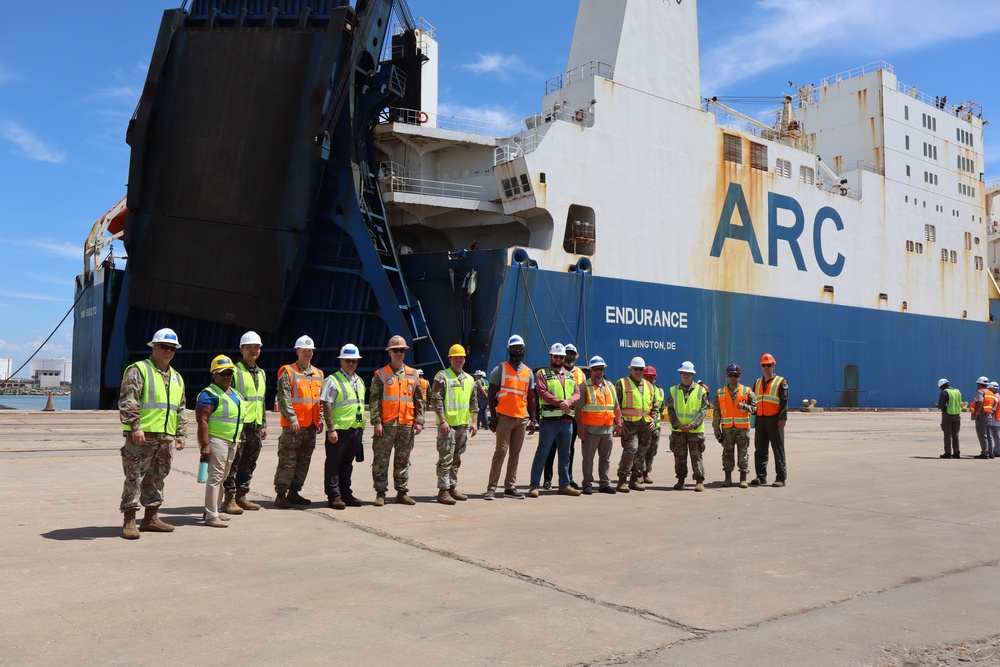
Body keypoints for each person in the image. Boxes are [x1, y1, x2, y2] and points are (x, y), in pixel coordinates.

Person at [118, 328, 188, 539]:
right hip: (143, 435)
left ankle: (151, 518)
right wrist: (135, 426)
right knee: (135, 477)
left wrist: (181, 433)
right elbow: (128, 399)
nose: (168, 351)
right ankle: (130, 520)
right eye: (164, 347)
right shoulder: (139, 370)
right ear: (154, 348)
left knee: (157, 477)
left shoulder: (176, 377)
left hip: (165, 438)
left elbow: (181, 407)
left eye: (172, 348)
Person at [370, 335, 424, 506]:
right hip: (386, 425)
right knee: (381, 459)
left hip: (406, 425)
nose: (399, 353)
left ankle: (401, 492)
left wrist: (419, 421)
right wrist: (377, 421)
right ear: (389, 352)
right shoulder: (380, 374)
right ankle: (380, 493)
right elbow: (374, 400)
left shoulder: (414, 374)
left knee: (403, 459)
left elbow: (419, 400)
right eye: (396, 350)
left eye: (402, 350)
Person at [273, 335, 324, 508]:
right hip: (293, 426)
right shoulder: (288, 371)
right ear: (297, 351)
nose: (308, 354)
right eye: (304, 351)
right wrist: (291, 418)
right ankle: (281, 493)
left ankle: (294, 492)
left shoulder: (318, 374)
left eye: (310, 351)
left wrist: (321, 419)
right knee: (288, 459)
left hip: (310, 425)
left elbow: (320, 400)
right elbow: (283, 397)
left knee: (304, 460)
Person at [485, 334, 537, 500]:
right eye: (514, 348)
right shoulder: (500, 369)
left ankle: (510, 487)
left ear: (523, 350)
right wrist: (493, 418)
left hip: (521, 419)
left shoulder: (528, 373)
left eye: (520, 348)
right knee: (500, 452)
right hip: (504, 418)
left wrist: (533, 419)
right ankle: (492, 488)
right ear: (509, 350)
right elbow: (491, 394)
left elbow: (531, 398)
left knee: (515, 453)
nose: (517, 350)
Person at [195, 355, 245, 528]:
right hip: (217, 440)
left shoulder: (236, 394)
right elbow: (202, 421)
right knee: (215, 478)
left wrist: (237, 439)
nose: (226, 376)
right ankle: (210, 515)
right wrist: (205, 445)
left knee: (222, 477)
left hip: (231, 441)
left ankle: (213, 509)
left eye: (229, 373)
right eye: (222, 373)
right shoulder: (208, 395)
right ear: (214, 375)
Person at [222, 331, 267, 514]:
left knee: (249, 462)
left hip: (255, 425)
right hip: (239, 424)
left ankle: (242, 495)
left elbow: (261, 400)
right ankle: (229, 498)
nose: (253, 350)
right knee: (233, 462)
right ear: (241, 349)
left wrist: (263, 423)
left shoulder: (262, 373)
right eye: (249, 347)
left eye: (256, 347)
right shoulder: (233, 372)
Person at [529, 343, 581, 497]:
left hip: (567, 422)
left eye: (561, 357)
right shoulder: (542, 374)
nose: (559, 359)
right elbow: (542, 392)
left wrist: (569, 402)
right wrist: (561, 403)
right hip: (549, 422)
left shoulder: (570, 375)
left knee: (565, 455)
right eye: (556, 356)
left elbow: (577, 393)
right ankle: (534, 485)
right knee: (542, 453)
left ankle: (564, 485)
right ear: (551, 357)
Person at [428, 344, 477, 504]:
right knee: (446, 458)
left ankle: (452, 487)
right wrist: (442, 421)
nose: (458, 360)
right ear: (449, 359)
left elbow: (473, 402)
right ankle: (443, 491)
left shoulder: (470, 379)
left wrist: (474, 422)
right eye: (455, 357)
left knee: (456, 459)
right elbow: (436, 400)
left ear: (464, 359)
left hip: (462, 426)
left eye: (461, 357)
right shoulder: (442, 377)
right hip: (447, 426)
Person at [320, 344, 366, 509]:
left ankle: (346, 494)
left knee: (347, 464)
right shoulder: (332, 381)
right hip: (338, 430)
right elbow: (327, 404)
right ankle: (334, 496)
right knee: (333, 463)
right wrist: (331, 429)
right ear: (341, 361)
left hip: (355, 429)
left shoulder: (359, 381)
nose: (351, 363)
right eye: (348, 360)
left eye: (354, 361)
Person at [575, 356, 622, 494]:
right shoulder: (584, 387)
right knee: (588, 459)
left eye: (600, 369)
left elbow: (616, 407)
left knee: (605, 459)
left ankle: (604, 483)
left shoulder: (611, 386)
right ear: (590, 370)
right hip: (590, 430)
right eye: (595, 369)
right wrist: (580, 427)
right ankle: (587, 483)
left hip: (607, 430)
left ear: (604, 370)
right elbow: (578, 408)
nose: (598, 372)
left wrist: (618, 423)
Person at [615, 357, 659, 493]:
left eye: (641, 369)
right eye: (636, 369)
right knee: (631, 450)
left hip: (645, 427)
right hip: (629, 425)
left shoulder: (649, 386)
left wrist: (654, 420)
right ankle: (622, 479)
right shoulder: (622, 383)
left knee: (641, 453)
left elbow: (655, 407)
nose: (639, 372)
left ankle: (635, 479)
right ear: (631, 369)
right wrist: (619, 422)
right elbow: (615, 405)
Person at [543, 343, 585, 489]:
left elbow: (581, 395)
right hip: (553, 415)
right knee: (551, 448)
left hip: (571, 417)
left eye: (572, 354)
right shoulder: (551, 372)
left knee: (568, 450)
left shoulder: (580, 374)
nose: (569, 357)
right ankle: (547, 479)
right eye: (567, 354)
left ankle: (568, 478)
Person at [667, 361, 710, 491]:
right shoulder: (673, 390)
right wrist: (677, 424)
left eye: (689, 374)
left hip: (695, 431)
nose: (686, 375)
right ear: (681, 374)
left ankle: (699, 480)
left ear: (692, 375)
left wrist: (693, 424)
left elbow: (704, 409)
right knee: (679, 457)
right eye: (684, 373)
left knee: (696, 457)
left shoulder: (700, 390)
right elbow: (670, 410)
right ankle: (680, 480)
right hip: (678, 430)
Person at [712, 363, 756, 488]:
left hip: (742, 430)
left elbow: (754, 408)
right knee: (727, 454)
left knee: (743, 454)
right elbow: (716, 412)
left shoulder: (747, 391)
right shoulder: (720, 393)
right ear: (727, 376)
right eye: (731, 375)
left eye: (735, 375)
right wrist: (716, 428)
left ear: (739, 376)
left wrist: (745, 407)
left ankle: (743, 478)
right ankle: (727, 479)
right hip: (727, 429)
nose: (733, 378)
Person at [751, 353, 789, 487]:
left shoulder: (781, 382)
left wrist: (782, 418)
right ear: (761, 366)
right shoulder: (757, 382)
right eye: (764, 365)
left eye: (769, 365)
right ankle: (761, 476)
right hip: (760, 419)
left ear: (774, 365)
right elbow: (753, 400)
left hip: (774, 419)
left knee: (777, 449)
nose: (766, 367)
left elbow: (784, 402)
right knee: (760, 448)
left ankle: (781, 478)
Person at [642, 365, 665, 484]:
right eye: (647, 377)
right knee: (641, 450)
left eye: (651, 377)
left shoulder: (660, 392)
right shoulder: (641, 390)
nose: (649, 380)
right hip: (642, 427)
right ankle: (639, 473)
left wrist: (655, 421)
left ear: (655, 378)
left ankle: (646, 473)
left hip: (655, 427)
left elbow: (660, 409)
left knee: (652, 451)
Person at [937, 378, 962, 458]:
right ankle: (956, 452)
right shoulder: (957, 391)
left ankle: (948, 453)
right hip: (957, 415)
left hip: (947, 415)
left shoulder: (945, 392)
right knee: (956, 435)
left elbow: (941, 405)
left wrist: (938, 406)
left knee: (947, 435)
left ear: (942, 386)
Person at [970, 375, 993, 459]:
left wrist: (977, 412)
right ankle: (990, 453)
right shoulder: (990, 392)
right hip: (989, 415)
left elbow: (980, 401)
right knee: (989, 435)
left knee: (982, 435)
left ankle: (984, 453)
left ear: (979, 384)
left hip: (982, 415)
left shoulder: (980, 392)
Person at [991, 382, 1000, 457]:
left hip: (995, 420)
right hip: (998, 419)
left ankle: (997, 451)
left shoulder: (994, 397)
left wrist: (992, 411)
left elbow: (994, 409)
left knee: (996, 436)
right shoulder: (998, 396)